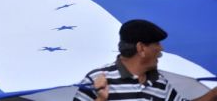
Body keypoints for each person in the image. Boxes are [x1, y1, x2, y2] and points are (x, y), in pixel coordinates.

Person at [74, 19, 217, 101]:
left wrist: (214, 93)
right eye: (156, 44)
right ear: (141, 48)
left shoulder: (159, 82)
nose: (161, 49)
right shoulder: (96, 80)